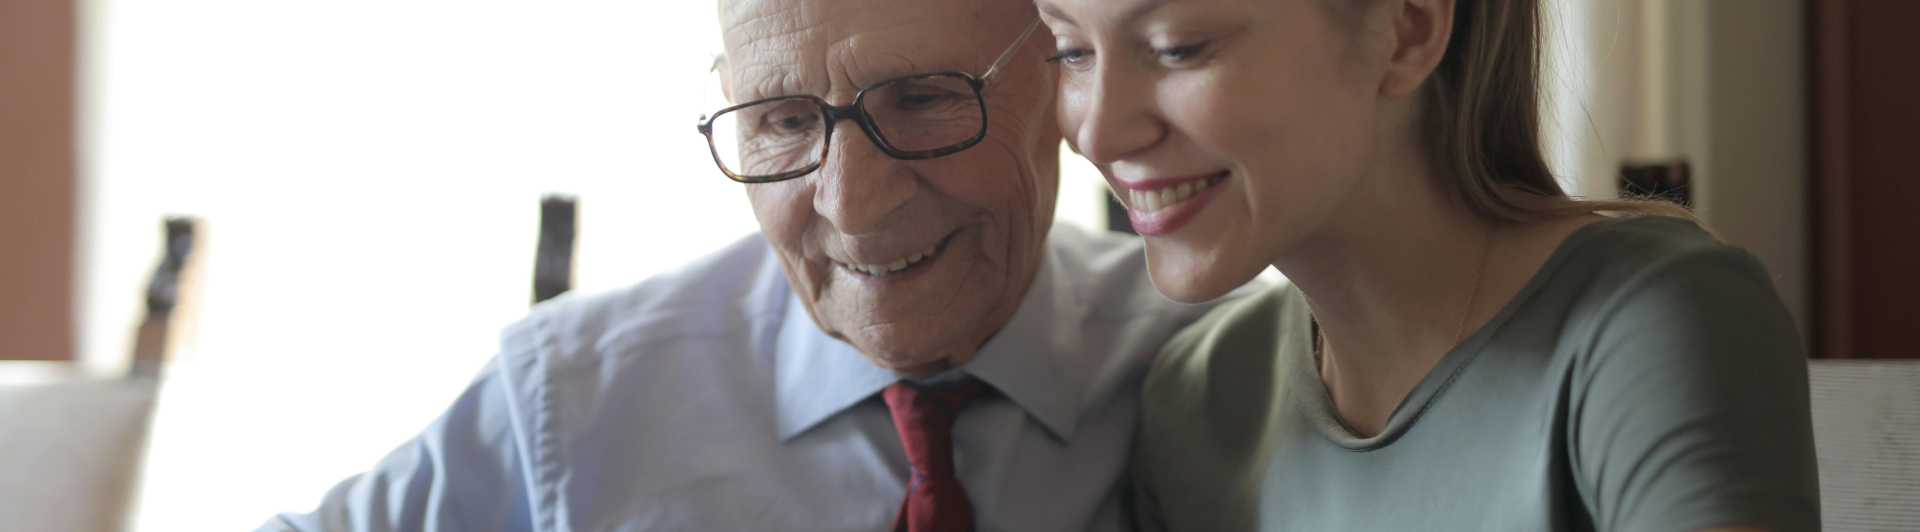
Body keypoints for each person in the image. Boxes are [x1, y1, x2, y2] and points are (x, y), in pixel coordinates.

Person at [256, 0, 1252, 530]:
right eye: (783, 121)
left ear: (1065, 74)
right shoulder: (573, 400)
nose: (850, 201)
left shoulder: (1230, 373)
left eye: (921, 99)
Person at [1035, 0, 1819, 530]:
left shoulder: (1651, 325)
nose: (1097, 133)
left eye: (1178, 47)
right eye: (1070, 51)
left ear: (1405, 30)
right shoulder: (1195, 401)